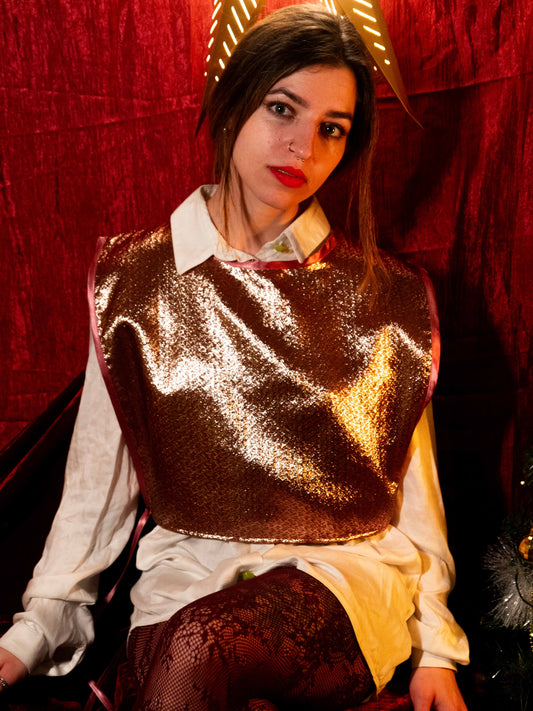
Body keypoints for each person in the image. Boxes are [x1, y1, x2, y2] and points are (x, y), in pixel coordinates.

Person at [0, 4, 470, 710]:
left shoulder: (385, 296)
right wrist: (37, 628)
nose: (302, 147)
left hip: (339, 582)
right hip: (183, 578)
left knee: (198, 648)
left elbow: (415, 493)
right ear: (231, 103)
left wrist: (436, 648)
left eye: (332, 128)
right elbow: (96, 487)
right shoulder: (134, 282)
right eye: (282, 108)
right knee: (181, 656)